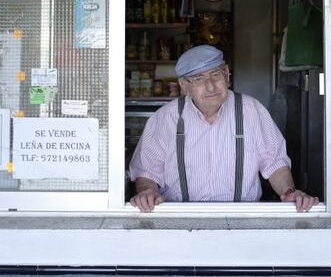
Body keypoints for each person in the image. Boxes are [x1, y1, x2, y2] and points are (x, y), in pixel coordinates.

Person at [129, 45, 319, 213]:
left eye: (216, 74)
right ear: (184, 86)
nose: (210, 86)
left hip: (242, 220)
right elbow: (147, 172)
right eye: (198, 78)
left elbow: (275, 163)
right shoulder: (165, 118)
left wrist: (289, 192)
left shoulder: (251, 111)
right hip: (179, 217)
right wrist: (148, 192)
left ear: (227, 74)